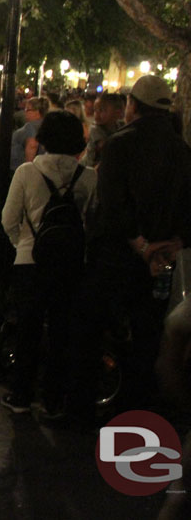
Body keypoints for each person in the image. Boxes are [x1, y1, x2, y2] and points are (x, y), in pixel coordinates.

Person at [70, 75, 191, 420]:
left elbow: (112, 208)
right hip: (162, 262)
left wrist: (141, 245)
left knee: (88, 325)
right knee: (146, 334)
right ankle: (136, 408)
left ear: (133, 105)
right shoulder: (182, 151)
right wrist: (172, 244)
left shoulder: (121, 145)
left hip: (119, 256)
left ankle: (81, 409)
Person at [0, 111, 97, 417]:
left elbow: (8, 220)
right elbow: (92, 223)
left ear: (45, 139)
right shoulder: (90, 177)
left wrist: (24, 244)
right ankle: (54, 399)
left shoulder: (27, 173)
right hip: (71, 263)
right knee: (61, 330)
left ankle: (21, 395)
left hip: (31, 261)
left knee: (27, 329)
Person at [79, 92, 125, 167]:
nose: (96, 114)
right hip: (89, 166)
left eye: (101, 110)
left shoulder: (119, 125)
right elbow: (105, 147)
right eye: (95, 110)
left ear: (117, 113)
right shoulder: (95, 128)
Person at [10, 96, 48, 171]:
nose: (25, 112)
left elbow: (32, 145)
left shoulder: (31, 126)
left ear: (37, 112)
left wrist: (28, 170)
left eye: (27, 110)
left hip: (19, 170)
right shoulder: (45, 125)